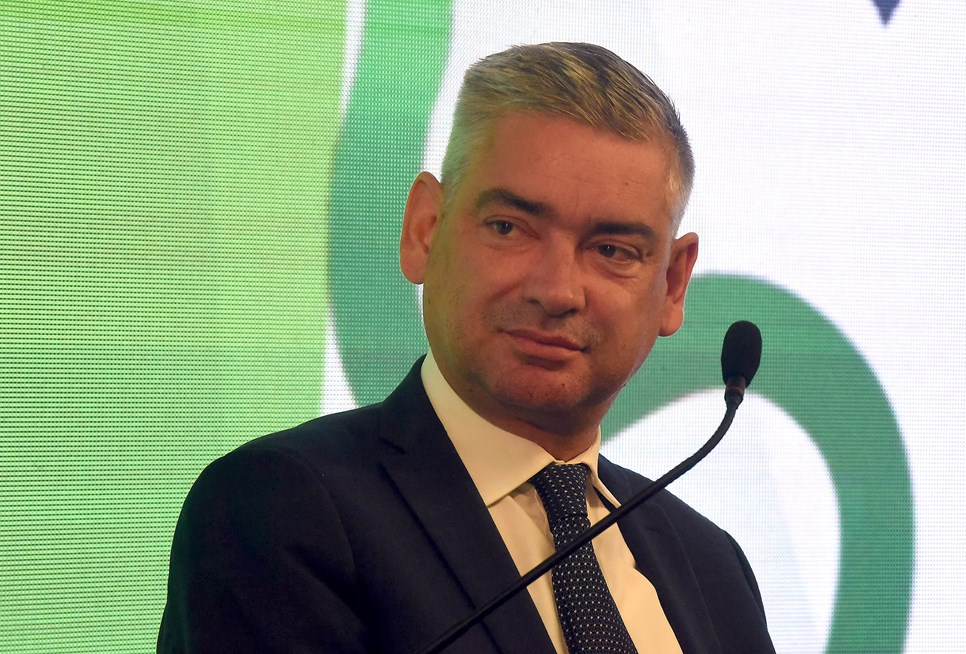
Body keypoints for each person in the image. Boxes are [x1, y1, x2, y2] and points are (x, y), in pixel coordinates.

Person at [158, 42, 776, 653]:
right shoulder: (282, 509)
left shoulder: (713, 567)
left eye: (612, 250)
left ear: (672, 284)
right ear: (424, 230)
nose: (557, 291)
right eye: (509, 228)